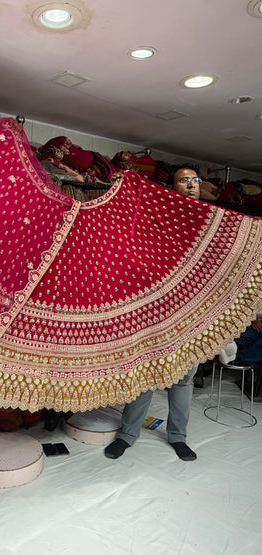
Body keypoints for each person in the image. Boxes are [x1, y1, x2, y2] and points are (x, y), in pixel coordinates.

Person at [104, 163, 202, 462]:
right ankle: (127, 435)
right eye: (184, 180)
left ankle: (178, 437)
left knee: (183, 380)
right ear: (172, 187)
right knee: (146, 375)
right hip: (156, 313)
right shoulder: (161, 218)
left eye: (196, 180)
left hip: (192, 314)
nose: (191, 184)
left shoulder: (212, 221)